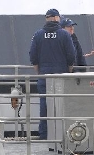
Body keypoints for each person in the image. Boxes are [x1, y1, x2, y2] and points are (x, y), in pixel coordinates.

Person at [29, 9, 76, 140]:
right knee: (63, 104)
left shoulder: (38, 35)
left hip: (44, 74)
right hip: (62, 75)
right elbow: (71, 55)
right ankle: (62, 134)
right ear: (56, 18)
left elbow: (33, 56)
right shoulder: (64, 35)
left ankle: (44, 134)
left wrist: (39, 72)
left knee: (44, 104)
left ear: (46, 19)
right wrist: (69, 70)